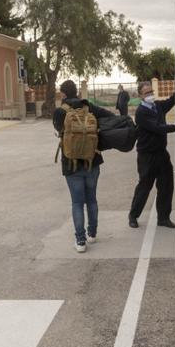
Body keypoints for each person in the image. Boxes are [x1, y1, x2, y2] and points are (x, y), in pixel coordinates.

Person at [53, 80, 113, 253]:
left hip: (71, 165)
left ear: (63, 94)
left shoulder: (59, 112)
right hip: (92, 160)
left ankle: (80, 242)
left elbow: (58, 131)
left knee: (77, 202)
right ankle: (92, 234)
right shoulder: (89, 107)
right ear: (77, 92)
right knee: (91, 199)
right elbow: (109, 115)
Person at [128, 82, 175, 229]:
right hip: (147, 156)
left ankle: (163, 218)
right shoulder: (141, 113)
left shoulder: (157, 106)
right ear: (141, 96)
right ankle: (133, 216)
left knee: (166, 186)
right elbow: (157, 128)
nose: (150, 95)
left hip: (162, 153)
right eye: (146, 93)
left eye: (151, 92)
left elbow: (171, 101)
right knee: (144, 187)